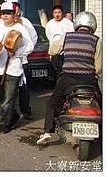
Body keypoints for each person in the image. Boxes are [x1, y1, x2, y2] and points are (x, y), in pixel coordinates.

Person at [37, 11, 102, 145]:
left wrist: (57, 55)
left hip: (68, 79)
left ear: (77, 24)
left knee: (52, 103)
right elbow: (99, 66)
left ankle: (47, 132)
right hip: (89, 80)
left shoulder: (67, 37)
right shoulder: (97, 40)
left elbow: (53, 50)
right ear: (93, 26)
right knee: (101, 103)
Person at [0, 2, 34, 133]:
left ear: (14, 15)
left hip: (14, 67)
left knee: (9, 97)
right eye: (3, 13)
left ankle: (4, 123)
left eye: (8, 13)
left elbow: (29, 46)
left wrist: (16, 53)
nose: (5, 16)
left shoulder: (21, 28)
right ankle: (12, 115)